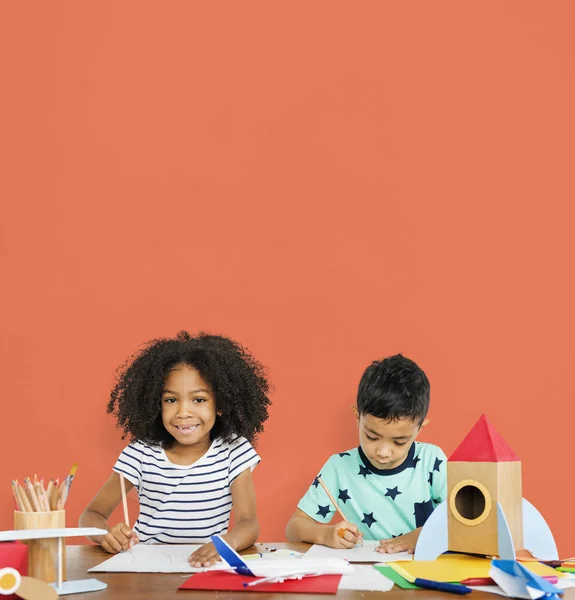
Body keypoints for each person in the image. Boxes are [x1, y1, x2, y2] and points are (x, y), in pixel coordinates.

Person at [79, 331, 271, 567]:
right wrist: (106, 536)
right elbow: (91, 516)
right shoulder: (140, 453)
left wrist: (227, 542)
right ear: (154, 405)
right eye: (171, 400)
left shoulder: (234, 451)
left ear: (221, 404)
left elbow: (248, 523)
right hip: (145, 566)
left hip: (204, 565)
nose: (183, 412)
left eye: (198, 400)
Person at [286, 354, 446, 554]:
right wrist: (326, 535)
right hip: (365, 573)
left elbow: (466, 519)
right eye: (371, 436)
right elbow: (294, 528)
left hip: (422, 572)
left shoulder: (432, 461)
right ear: (357, 418)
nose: (383, 452)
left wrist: (423, 534)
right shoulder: (339, 467)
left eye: (399, 441)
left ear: (420, 428)